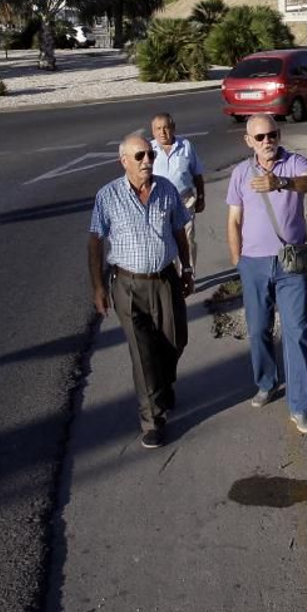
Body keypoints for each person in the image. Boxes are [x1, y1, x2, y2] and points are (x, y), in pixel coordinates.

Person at [88, 132, 193, 449]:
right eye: (140, 156)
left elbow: (179, 231)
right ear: (124, 161)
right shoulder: (108, 196)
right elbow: (95, 241)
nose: (147, 160)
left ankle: (164, 385)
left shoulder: (166, 189)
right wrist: (98, 287)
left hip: (165, 280)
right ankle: (152, 419)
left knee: (176, 341)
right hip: (128, 286)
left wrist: (187, 269)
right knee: (142, 354)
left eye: (151, 155)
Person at [226, 114, 307, 433]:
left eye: (273, 134)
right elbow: (234, 220)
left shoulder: (294, 163)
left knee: (297, 331)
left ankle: (300, 405)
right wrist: (238, 260)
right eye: (261, 137)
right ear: (249, 141)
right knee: (258, 329)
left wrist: (282, 183)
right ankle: (267, 383)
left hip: (290, 262)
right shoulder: (241, 173)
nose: (268, 141)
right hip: (253, 263)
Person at [150, 112, 206, 274]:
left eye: (166, 128)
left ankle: (189, 275)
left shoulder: (185, 146)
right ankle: (174, 276)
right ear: (153, 131)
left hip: (184, 201)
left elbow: (197, 174)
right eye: (158, 129)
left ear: (173, 128)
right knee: (165, 241)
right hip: (159, 204)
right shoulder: (149, 150)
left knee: (187, 240)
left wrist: (201, 197)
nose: (162, 132)